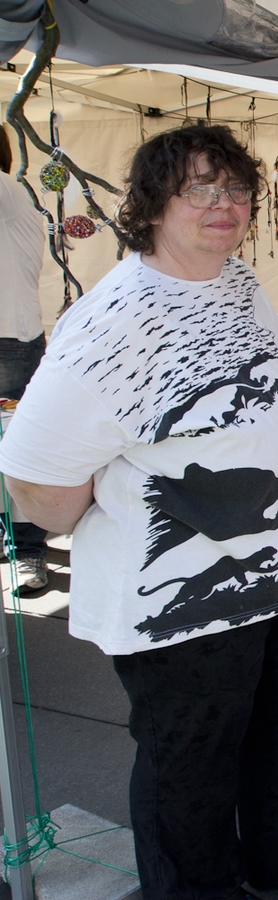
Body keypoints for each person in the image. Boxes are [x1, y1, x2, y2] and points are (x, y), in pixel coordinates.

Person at [0, 124, 278, 900]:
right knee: (190, 760)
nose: (223, 203)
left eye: (235, 187)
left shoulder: (234, 279)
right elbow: (36, 486)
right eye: (198, 187)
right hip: (184, 601)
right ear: (151, 205)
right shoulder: (110, 323)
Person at [0, 124, 52, 591]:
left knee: (21, 453)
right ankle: (11, 540)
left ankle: (29, 551)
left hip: (11, 342)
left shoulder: (10, 189)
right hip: (10, 341)